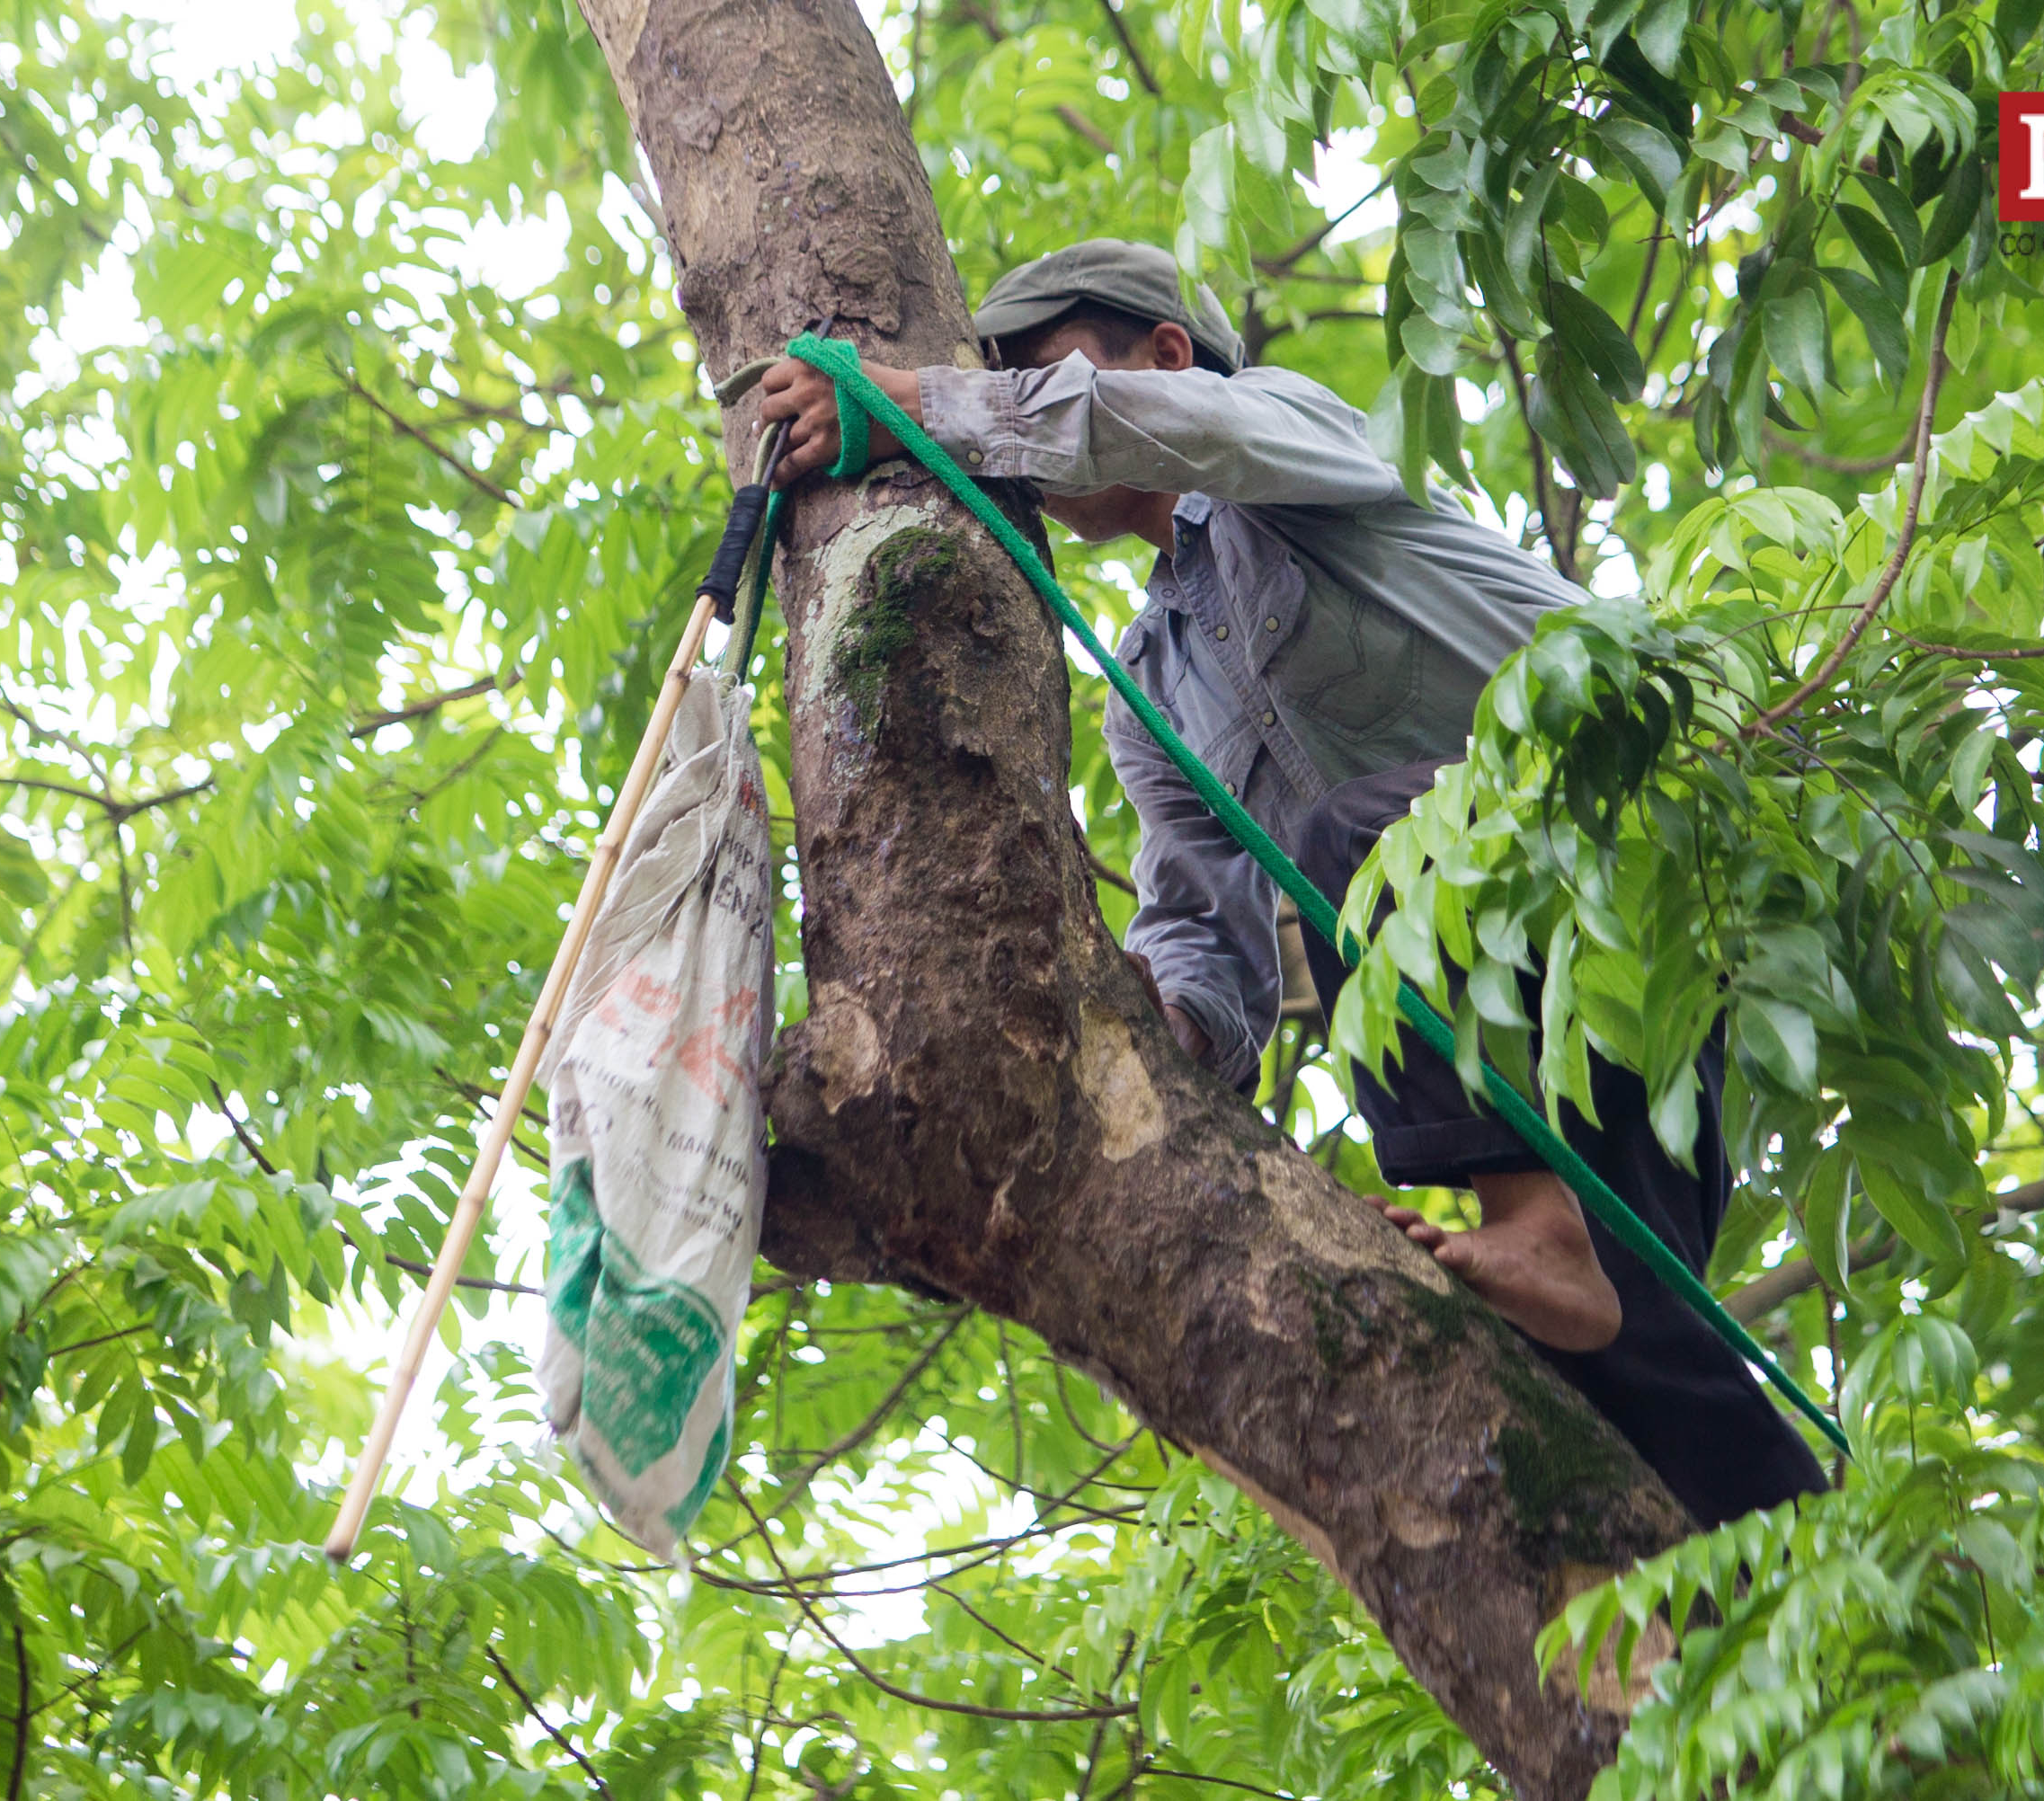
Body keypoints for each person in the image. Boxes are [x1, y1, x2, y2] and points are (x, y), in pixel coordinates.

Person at [755, 240, 1826, 1525]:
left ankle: (1534, 1221)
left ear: (1162, 351)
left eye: (1037, 376)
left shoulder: (1291, 441)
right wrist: (1140, 1025)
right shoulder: (1148, 693)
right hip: (1547, 1016)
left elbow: (1167, 429)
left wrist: (926, 407)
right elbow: (1206, 939)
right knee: (1635, 1373)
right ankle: (1805, 1620)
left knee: (1354, 843)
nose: (1023, 421)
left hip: (1642, 870)